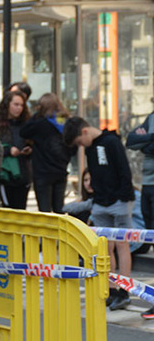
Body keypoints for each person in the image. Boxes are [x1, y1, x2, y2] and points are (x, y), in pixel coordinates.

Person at [63, 116, 135, 310]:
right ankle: (111, 290)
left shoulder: (111, 142)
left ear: (85, 132)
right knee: (105, 246)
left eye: (80, 141)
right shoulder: (90, 148)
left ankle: (124, 290)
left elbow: (123, 170)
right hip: (101, 201)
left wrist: (123, 196)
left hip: (118, 200)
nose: (81, 146)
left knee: (122, 244)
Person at [125, 107, 154, 318]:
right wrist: (149, 140)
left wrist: (145, 142)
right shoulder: (151, 117)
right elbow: (131, 141)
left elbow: (142, 143)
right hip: (147, 185)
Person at [19, 93, 70, 213]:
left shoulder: (39, 123)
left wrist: (36, 115)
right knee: (59, 210)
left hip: (43, 173)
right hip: (60, 171)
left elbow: (23, 131)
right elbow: (72, 146)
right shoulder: (63, 121)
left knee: (45, 211)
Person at [0, 90, 33, 210]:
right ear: (7, 105)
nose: (19, 108)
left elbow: (34, 145)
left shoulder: (26, 125)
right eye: (16, 104)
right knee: (7, 211)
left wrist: (29, 150)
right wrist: (8, 151)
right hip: (5, 176)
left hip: (23, 175)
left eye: (21, 105)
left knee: (20, 212)